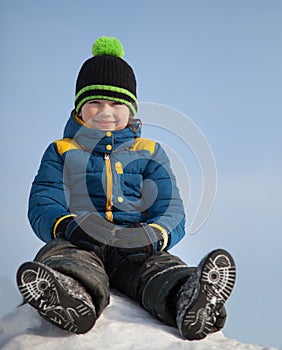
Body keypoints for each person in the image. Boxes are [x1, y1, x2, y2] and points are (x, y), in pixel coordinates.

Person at [16, 36, 236, 340]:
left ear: (130, 110)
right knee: (65, 257)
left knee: (157, 269)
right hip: (80, 238)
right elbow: (44, 198)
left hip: (133, 243)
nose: (106, 111)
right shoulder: (62, 150)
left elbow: (170, 205)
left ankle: (188, 297)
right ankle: (69, 295)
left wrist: (154, 235)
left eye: (116, 103)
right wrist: (67, 226)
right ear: (80, 109)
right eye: (95, 102)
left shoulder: (148, 150)